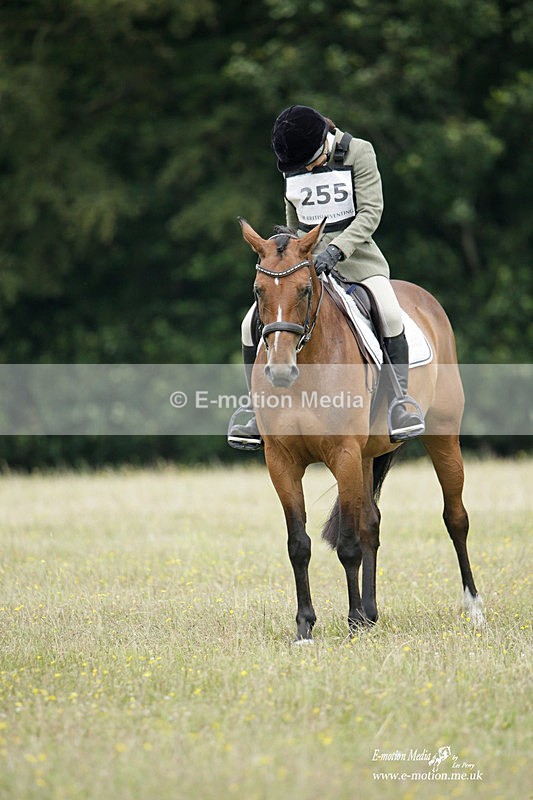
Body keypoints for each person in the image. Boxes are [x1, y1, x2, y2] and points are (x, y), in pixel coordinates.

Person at [228, 104, 425, 449]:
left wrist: (336, 251)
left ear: (324, 141)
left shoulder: (360, 152)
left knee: (391, 314)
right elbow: (293, 224)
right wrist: (292, 257)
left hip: (359, 261)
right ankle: (253, 410)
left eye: (309, 161)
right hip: (305, 268)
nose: (304, 170)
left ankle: (400, 404)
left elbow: (370, 213)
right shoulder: (295, 165)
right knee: (249, 325)